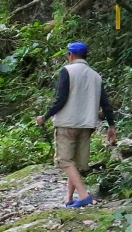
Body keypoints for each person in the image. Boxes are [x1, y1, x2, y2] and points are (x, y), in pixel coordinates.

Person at [36, 42, 117, 208]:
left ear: (70, 55)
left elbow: (60, 100)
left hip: (67, 123)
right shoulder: (96, 76)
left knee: (65, 160)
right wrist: (111, 125)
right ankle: (69, 197)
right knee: (75, 162)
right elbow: (105, 103)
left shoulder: (67, 71)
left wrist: (45, 117)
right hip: (87, 125)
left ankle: (83, 194)